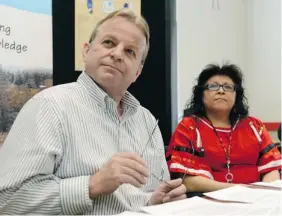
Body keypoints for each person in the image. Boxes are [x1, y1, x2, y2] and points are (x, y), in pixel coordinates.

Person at [0, 9, 186, 215]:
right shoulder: (49, 106)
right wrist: (92, 185)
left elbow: (146, 195)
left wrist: (156, 201)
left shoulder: (147, 121)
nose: (117, 54)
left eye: (130, 51)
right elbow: (8, 201)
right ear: (86, 51)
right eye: (109, 43)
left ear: (137, 72)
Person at [166, 63, 281, 193]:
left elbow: (271, 170)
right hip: (206, 202)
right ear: (201, 94)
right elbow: (188, 181)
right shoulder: (189, 127)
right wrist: (240, 191)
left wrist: (264, 195)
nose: (221, 91)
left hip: (256, 202)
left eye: (228, 87)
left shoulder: (255, 126)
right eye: (213, 86)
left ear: (236, 95)